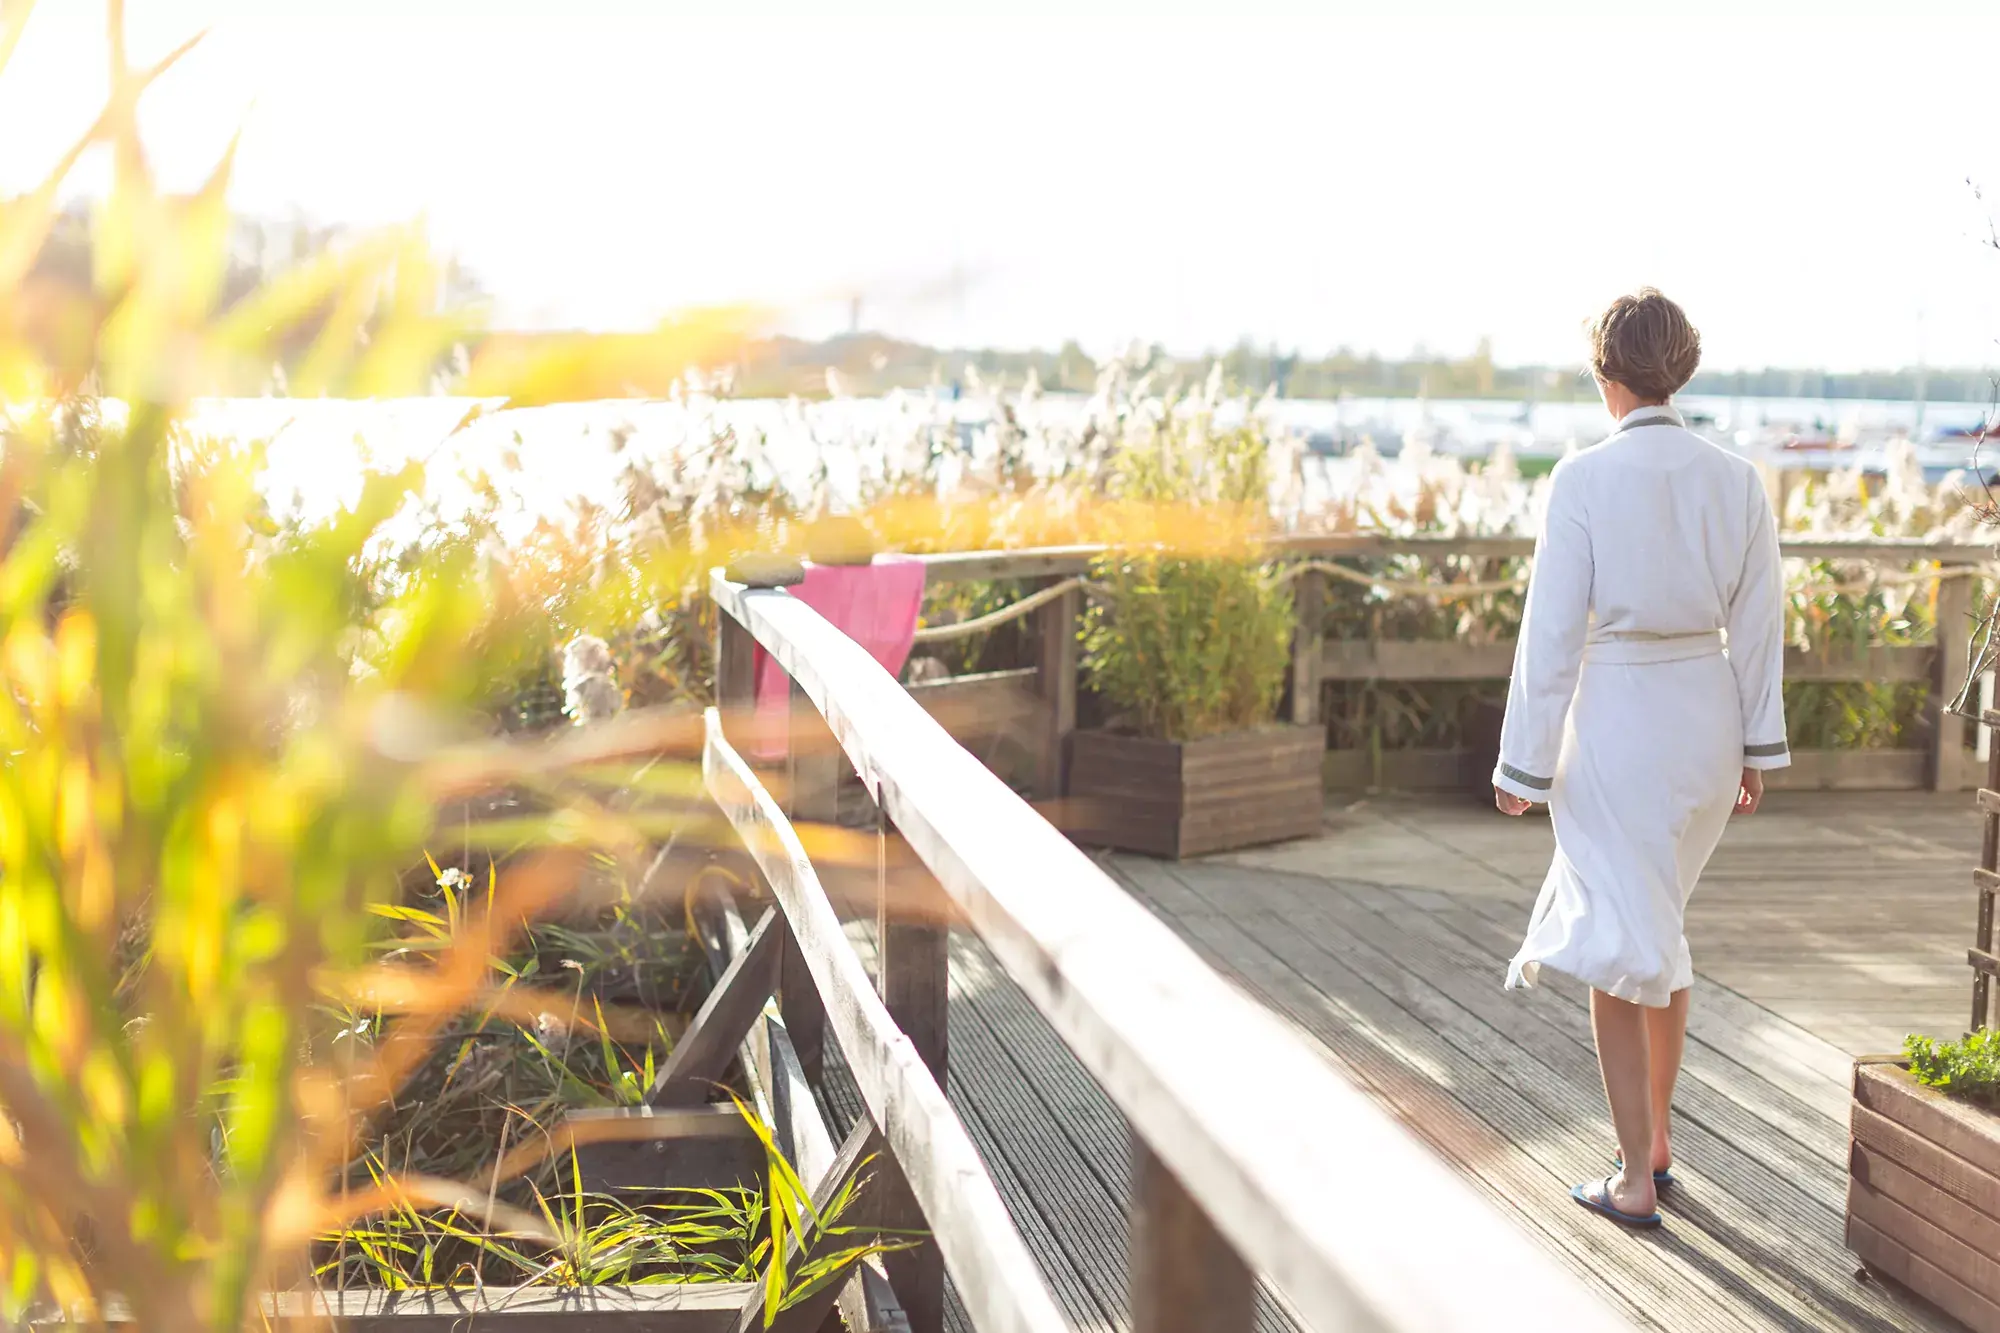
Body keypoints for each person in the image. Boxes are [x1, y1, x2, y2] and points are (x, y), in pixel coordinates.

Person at [1491, 288, 1788, 1230]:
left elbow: (1549, 634)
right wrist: (1757, 744)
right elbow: (1759, 624)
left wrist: (1523, 765)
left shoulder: (1582, 478)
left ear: (1605, 374)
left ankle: (1631, 1177)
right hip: (1704, 720)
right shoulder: (1736, 479)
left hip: (1617, 722)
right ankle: (1654, 1140)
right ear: (1682, 367)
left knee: (1619, 948)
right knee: (1656, 922)